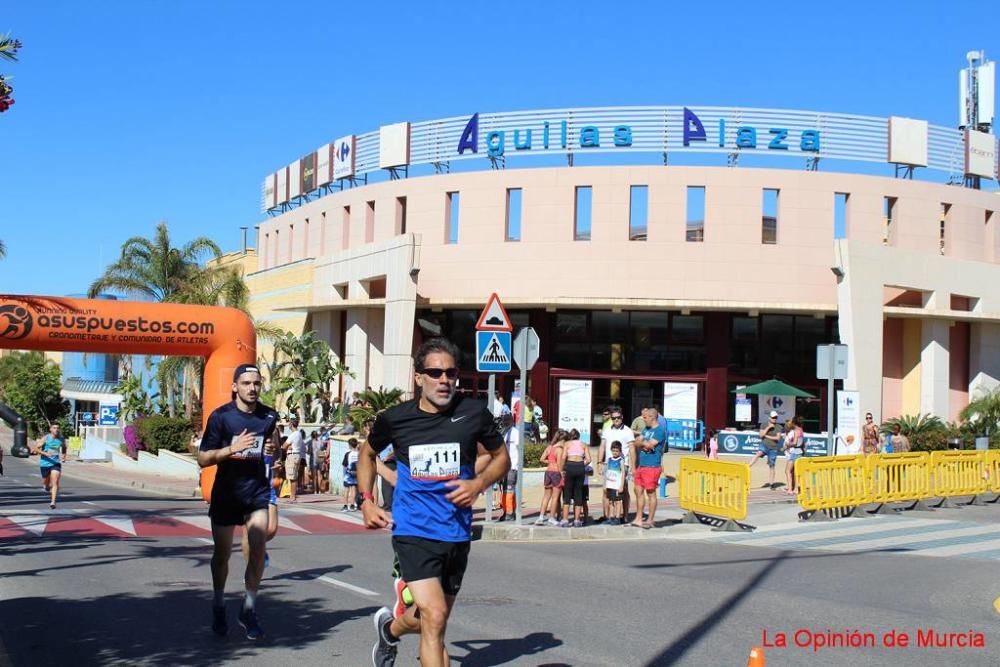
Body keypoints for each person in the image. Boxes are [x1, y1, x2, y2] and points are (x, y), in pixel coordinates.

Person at [357, 337, 510, 667]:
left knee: (429, 621)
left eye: (451, 373)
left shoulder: (473, 414)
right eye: (435, 373)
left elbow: (501, 457)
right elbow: (367, 454)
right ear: (418, 377)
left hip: (457, 532)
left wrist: (478, 483)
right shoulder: (395, 419)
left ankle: (389, 629)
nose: (444, 380)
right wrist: (366, 500)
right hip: (414, 530)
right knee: (436, 616)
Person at [197, 363, 279, 640]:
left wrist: (272, 449)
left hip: (256, 492)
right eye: (246, 383)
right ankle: (219, 604)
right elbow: (203, 458)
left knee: (257, 549)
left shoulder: (269, 416)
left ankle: (248, 609)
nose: (252, 388)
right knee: (222, 555)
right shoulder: (221, 417)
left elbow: (274, 448)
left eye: (256, 383)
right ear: (235, 386)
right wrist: (232, 449)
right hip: (226, 494)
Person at [630, 411, 666, 529]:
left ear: (652, 417)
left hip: (652, 466)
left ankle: (650, 520)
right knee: (638, 492)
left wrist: (641, 443)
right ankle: (638, 518)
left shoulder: (659, 430)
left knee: (650, 493)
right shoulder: (646, 429)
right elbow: (636, 442)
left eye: (645, 418)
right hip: (642, 464)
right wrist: (641, 443)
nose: (643, 420)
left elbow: (650, 445)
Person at [599, 408, 634, 522]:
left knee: (623, 490)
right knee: (606, 490)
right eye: (613, 418)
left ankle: (624, 516)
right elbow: (602, 446)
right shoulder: (607, 430)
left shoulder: (628, 431)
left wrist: (632, 466)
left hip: (622, 464)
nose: (616, 420)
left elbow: (632, 449)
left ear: (622, 417)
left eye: (618, 417)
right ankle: (607, 516)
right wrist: (599, 462)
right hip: (608, 464)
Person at [558, 428, 589, 527]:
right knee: (578, 493)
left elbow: (563, 457)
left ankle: (565, 519)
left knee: (567, 493)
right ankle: (577, 520)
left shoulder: (567, 444)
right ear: (579, 436)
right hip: (580, 467)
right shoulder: (583, 444)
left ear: (570, 436)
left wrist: (562, 469)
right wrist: (581, 464)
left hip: (570, 466)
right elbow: (589, 459)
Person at [32, 423, 67, 509]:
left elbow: (64, 448)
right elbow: (35, 449)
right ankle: (46, 486)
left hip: (55, 463)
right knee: (46, 483)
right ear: (50, 429)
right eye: (54, 428)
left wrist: (63, 456)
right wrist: (45, 453)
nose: (56, 430)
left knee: (55, 482)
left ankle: (53, 502)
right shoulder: (46, 438)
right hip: (45, 463)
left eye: (58, 428)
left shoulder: (61, 439)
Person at [534, 430, 565, 526]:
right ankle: (551, 517)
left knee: (546, 496)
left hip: (548, 472)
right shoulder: (559, 450)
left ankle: (541, 517)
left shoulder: (549, 448)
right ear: (562, 439)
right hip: (556, 473)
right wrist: (562, 474)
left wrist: (550, 462)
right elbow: (560, 464)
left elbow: (541, 459)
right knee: (555, 497)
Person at [494, 413, 520, 522]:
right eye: (504, 420)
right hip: (504, 467)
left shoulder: (515, 433)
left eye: (507, 420)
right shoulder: (504, 433)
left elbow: (519, 448)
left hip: (512, 466)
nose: (505, 422)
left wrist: (515, 465)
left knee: (510, 490)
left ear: (512, 420)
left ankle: (510, 513)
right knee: (504, 490)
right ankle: (506, 511)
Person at [749, 411, 783, 489]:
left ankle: (771, 484)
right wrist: (768, 428)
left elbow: (777, 438)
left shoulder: (778, 427)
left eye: (776, 417)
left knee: (772, 465)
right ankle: (748, 466)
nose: (774, 419)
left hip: (773, 448)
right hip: (764, 445)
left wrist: (766, 436)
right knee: (758, 453)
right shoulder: (764, 424)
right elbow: (761, 435)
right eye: (773, 417)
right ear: (769, 418)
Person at [604, 441, 626, 525]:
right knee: (611, 501)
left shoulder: (621, 461)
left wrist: (621, 485)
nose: (615, 452)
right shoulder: (609, 460)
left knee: (618, 502)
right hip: (610, 485)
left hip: (617, 485)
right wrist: (606, 484)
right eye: (613, 451)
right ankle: (611, 517)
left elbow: (623, 473)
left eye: (617, 451)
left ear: (620, 451)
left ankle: (617, 518)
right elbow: (607, 472)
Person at [283, 416, 305, 502]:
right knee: (294, 476)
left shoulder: (293, 435)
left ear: (291, 424)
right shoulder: (299, 434)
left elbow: (284, 446)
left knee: (292, 477)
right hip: (297, 455)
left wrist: (288, 446)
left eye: (289, 423)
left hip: (292, 456)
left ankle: (292, 497)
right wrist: (290, 446)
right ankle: (293, 496)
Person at [783, 418, 805, 495]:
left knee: (787, 471)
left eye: (792, 422)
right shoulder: (801, 430)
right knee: (795, 471)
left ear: (794, 423)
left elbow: (795, 443)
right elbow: (803, 443)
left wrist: (788, 444)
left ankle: (789, 489)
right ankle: (796, 489)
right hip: (800, 452)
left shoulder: (796, 431)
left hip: (794, 452)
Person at [341, 437, 360, 511]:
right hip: (356, 474)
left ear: (349, 445)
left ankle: (345, 505)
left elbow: (344, 465)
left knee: (346, 490)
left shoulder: (348, 454)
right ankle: (352, 505)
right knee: (354, 489)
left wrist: (344, 475)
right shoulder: (359, 454)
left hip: (348, 474)